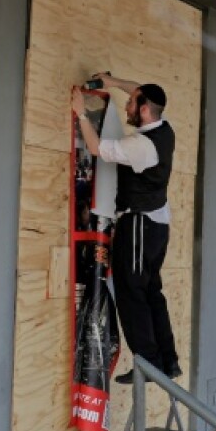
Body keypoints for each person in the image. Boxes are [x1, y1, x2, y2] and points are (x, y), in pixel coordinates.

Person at [70, 74, 181, 384]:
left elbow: (95, 147)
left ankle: (147, 363)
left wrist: (80, 112)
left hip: (138, 225)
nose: (128, 105)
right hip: (156, 226)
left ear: (145, 110)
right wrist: (113, 82)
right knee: (151, 292)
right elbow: (141, 92)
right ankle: (167, 361)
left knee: (132, 293)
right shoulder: (164, 129)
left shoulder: (140, 146)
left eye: (132, 103)